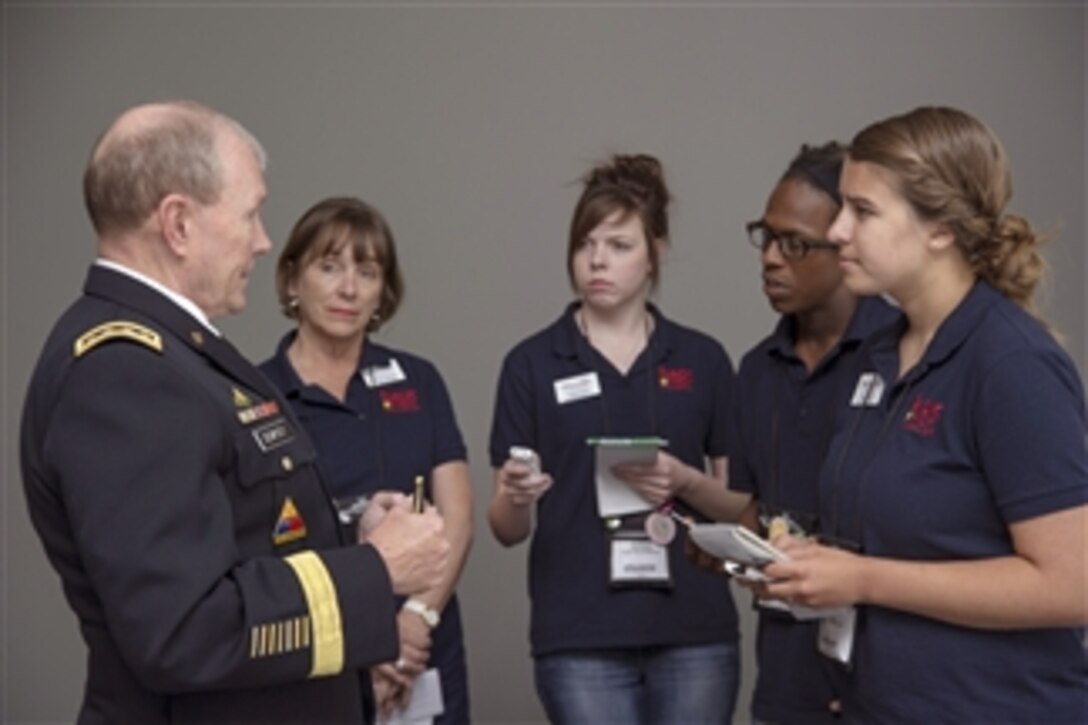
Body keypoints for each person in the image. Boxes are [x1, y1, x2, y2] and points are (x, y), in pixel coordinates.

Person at [19, 100, 450, 725]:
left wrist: (352, 540)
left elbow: (232, 536)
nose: (263, 240)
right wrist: (375, 569)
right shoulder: (125, 372)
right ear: (178, 224)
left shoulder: (175, 353)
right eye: (250, 214)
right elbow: (185, 629)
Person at [761, 106, 1088, 722]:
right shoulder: (879, 352)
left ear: (939, 229)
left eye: (863, 211)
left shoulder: (1010, 363)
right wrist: (807, 571)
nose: (836, 232)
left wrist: (862, 579)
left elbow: (1074, 586)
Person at [488, 153, 750, 724]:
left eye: (619, 245)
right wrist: (513, 496)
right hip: (578, 635)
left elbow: (738, 513)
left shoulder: (703, 360)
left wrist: (685, 480)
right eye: (585, 244)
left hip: (694, 630)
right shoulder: (531, 364)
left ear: (654, 253)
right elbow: (507, 532)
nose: (597, 260)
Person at [259, 196, 474, 723]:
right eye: (328, 266)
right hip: (319, 654)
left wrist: (416, 622)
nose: (348, 289)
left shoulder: (419, 382)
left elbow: (459, 519)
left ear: (384, 291)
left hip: (424, 646)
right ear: (292, 279)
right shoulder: (256, 396)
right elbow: (258, 551)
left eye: (367, 271)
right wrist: (372, 637)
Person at [727, 142, 898, 724]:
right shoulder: (755, 369)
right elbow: (757, 509)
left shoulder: (904, 357)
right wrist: (723, 543)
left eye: (795, 244)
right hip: (786, 669)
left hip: (888, 666)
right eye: (765, 236)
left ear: (847, 243)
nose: (771, 258)